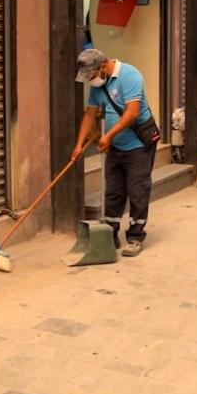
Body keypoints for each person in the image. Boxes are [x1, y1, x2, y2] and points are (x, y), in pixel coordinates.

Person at [72, 49, 156, 257]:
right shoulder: (97, 83)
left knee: (138, 191)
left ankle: (135, 237)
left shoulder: (130, 75)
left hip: (138, 145)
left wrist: (108, 135)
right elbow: (90, 114)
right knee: (113, 193)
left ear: (102, 66)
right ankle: (110, 235)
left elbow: (132, 112)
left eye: (91, 76)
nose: (91, 81)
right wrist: (79, 145)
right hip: (115, 147)